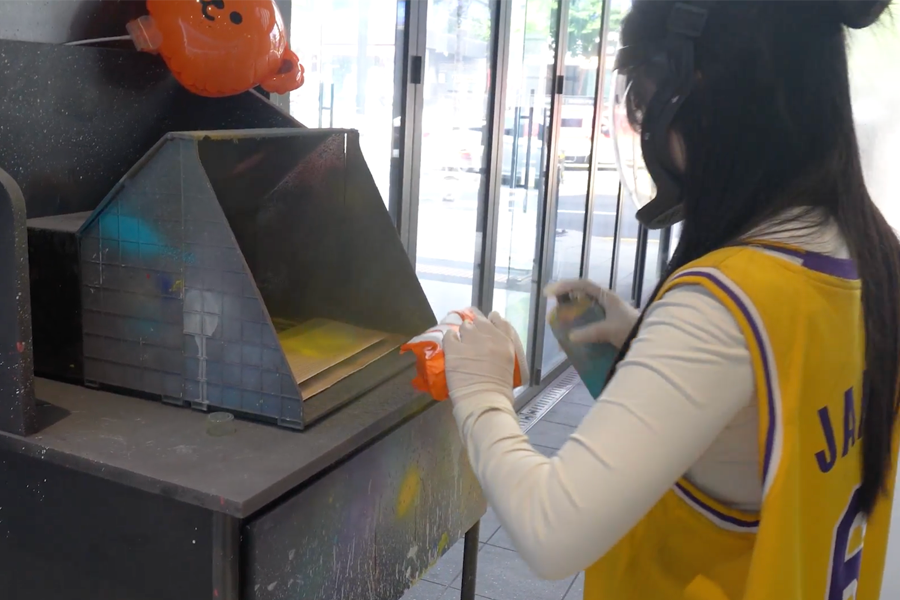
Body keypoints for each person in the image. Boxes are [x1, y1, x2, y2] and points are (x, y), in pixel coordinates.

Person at [442, 0, 900, 598]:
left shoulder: (724, 301)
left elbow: (550, 529)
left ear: (702, 99)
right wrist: (644, 339)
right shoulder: (867, 252)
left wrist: (480, 392)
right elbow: (767, 407)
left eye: (649, 102)